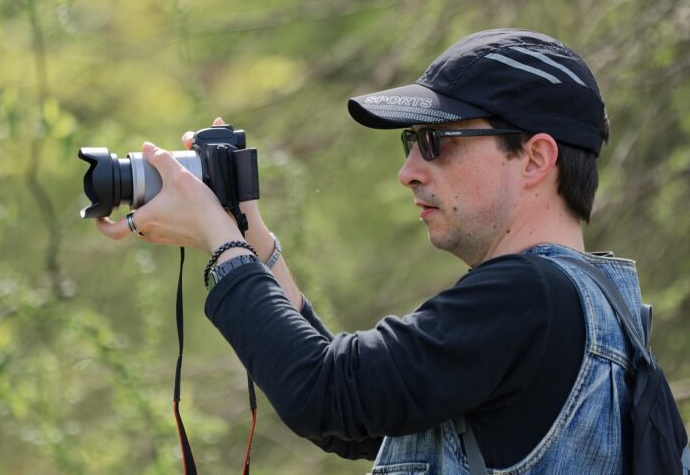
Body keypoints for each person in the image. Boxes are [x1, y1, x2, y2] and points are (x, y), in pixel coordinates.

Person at [97, 28, 641, 474]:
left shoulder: (530, 297)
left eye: (435, 141)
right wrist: (247, 233)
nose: (408, 172)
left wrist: (218, 243)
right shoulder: (591, 305)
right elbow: (356, 416)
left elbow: (327, 394)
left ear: (533, 158)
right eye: (411, 143)